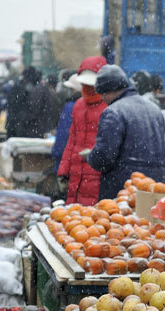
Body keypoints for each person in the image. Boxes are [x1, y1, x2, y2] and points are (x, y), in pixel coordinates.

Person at [87, 64, 165, 201]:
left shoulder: (113, 112)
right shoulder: (154, 109)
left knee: (123, 222)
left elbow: (104, 157)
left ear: (108, 91)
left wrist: (90, 157)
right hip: (156, 186)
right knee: (153, 221)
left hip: (124, 188)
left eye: (102, 94)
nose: (102, 99)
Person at [57, 56, 108, 205]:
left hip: (96, 175)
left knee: (93, 222)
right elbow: (71, 141)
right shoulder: (78, 105)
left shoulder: (108, 107)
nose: (88, 88)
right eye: (85, 84)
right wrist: (63, 170)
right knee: (74, 221)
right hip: (75, 174)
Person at [5, 66, 54, 138]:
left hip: (18, 125)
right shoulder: (36, 89)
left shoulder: (20, 87)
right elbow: (33, 109)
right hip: (28, 127)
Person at [51, 72, 82, 173]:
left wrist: (56, 153)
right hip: (81, 159)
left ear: (74, 90)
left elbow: (64, 133)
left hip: (67, 158)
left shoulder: (70, 106)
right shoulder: (90, 106)